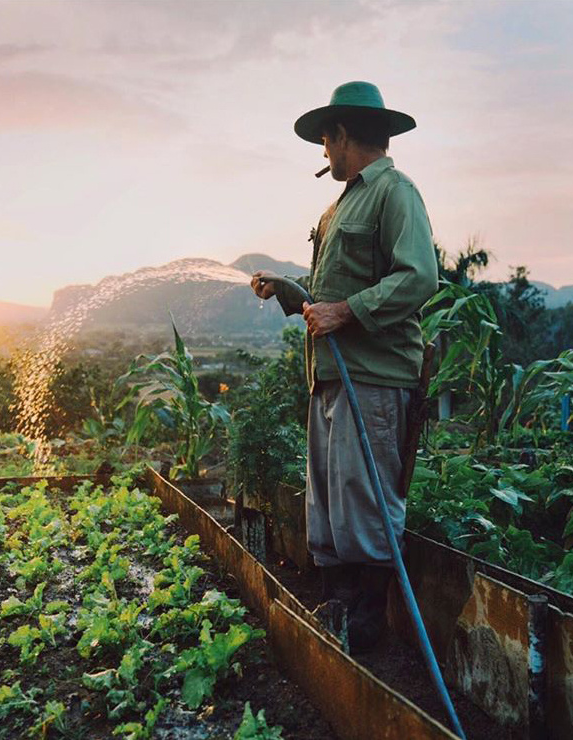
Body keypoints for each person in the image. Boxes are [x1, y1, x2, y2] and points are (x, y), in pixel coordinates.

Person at [251, 81, 438, 652]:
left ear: (344, 135)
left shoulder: (394, 192)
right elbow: (327, 298)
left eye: (326, 140)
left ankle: (367, 628)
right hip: (330, 376)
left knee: (365, 502)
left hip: (374, 378)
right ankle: (338, 609)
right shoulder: (336, 208)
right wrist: (291, 292)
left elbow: (418, 277)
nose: (323, 152)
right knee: (329, 505)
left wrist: (347, 312)